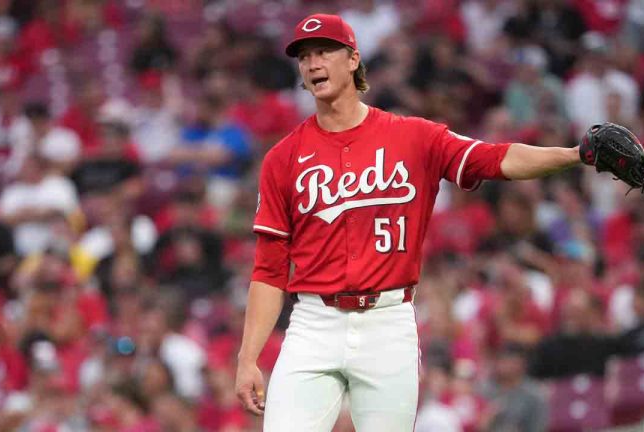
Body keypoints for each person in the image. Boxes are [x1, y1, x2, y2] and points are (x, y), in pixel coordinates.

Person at [235, 13, 621, 431]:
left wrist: (573, 154)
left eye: (325, 51)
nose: (313, 63)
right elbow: (269, 270)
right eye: (304, 56)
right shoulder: (283, 158)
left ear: (353, 60)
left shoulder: (414, 137)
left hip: (387, 321)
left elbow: (494, 158)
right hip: (313, 322)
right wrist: (247, 358)